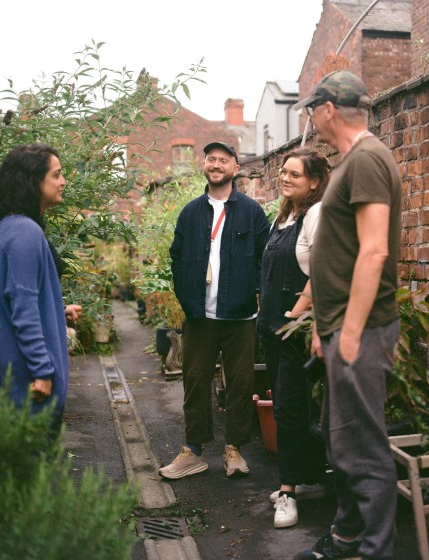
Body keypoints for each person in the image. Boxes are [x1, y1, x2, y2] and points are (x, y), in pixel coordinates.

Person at [292, 71, 403, 560]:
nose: (310, 118)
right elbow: (339, 252)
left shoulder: (368, 159)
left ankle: (374, 550)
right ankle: (346, 537)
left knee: (363, 449)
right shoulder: (352, 161)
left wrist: (352, 331)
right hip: (340, 328)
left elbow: (374, 251)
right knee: (343, 443)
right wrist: (323, 327)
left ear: (328, 109)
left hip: (362, 329)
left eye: (311, 109)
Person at [161, 141, 270, 479]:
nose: (216, 164)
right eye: (211, 159)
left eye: (224, 160)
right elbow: (177, 256)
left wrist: (249, 292)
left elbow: (263, 259)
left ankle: (234, 449)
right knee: (195, 380)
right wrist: (186, 296)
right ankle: (193, 451)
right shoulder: (191, 212)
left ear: (235, 169)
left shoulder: (251, 212)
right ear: (204, 165)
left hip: (239, 317)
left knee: (239, 382)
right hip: (199, 315)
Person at [0, 143, 82, 433]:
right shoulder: (24, 232)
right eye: (56, 175)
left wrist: (57, 312)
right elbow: (23, 309)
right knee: (36, 472)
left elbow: (13, 300)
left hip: (13, 381)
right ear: (32, 181)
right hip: (30, 387)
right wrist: (42, 371)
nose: (63, 182)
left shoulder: (6, 227)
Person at [257, 147, 331, 529]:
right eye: (284, 172)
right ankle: (308, 479)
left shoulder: (316, 215)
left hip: (292, 330)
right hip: (271, 328)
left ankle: (287, 492)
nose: (285, 178)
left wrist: (293, 313)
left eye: (295, 175)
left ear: (314, 183)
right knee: (292, 406)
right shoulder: (284, 215)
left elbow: (321, 271)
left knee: (288, 409)